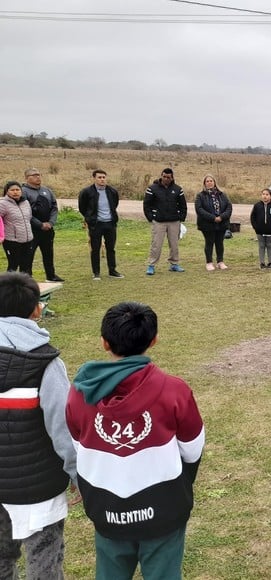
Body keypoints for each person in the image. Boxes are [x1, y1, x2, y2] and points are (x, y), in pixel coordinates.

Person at [66, 301, 205, 580]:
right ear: (153, 341)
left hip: (107, 509)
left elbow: (79, 446)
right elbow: (192, 448)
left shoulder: (79, 394)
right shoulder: (174, 390)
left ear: (104, 343)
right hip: (164, 509)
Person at [0, 272, 77, 580]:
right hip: (39, 484)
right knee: (45, 556)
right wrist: (77, 473)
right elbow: (64, 426)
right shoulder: (46, 363)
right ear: (36, 309)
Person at [79, 169, 124, 280]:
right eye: (99, 177)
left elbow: (115, 204)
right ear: (94, 178)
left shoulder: (112, 191)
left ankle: (112, 270)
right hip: (96, 224)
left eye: (104, 177)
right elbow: (82, 207)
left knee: (111, 248)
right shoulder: (87, 192)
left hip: (110, 223)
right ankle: (96, 272)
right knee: (95, 249)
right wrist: (90, 218)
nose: (102, 179)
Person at [21, 168, 63, 282]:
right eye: (34, 175)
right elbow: (25, 212)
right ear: (26, 178)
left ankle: (51, 275)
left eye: (39, 175)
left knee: (48, 253)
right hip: (32, 230)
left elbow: (54, 207)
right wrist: (40, 224)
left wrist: (51, 222)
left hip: (48, 229)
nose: (38, 177)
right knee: (28, 255)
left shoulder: (47, 190)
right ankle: (26, 278)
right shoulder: (23, 191)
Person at [143, 168, 187, 275]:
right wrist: (151, 217)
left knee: (174, 244)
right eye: (164, 176)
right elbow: (146, 204)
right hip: (158, 221)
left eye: (168, 177)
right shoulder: (152, 188)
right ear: (161, 176)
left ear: (172, 178)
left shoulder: (178, 189)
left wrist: (181, 217)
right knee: (156, 244)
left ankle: (174, 264)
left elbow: (183, 205)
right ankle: (151, 265)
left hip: (174, 221)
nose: (166, 179)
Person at [194, 174, 233, 271]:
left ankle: (220, 262)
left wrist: (221, 217)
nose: (209, 183)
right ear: (204, 183)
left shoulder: (222, 194)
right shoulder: (200, 196)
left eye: (211, 181)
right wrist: (213, 218)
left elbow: (229, 207)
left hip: (221, 223)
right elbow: (199, 209)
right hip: (207, 223)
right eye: (207, 181)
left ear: (214, 182)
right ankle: (209, 262)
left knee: (220, 242)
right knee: (209, 242)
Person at [0, 181, 34, 273]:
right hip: (12, 241)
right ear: (7, 191)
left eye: (17, 190)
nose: (15, 192)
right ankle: (8, 286)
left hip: (28, 239)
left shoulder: (26, 202)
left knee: (26, 265)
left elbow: (29, 217)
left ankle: (25, 286)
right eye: (12, 190)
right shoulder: (3, 204)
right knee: (13, 265)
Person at [250, 188, 271, 269]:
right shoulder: (257, 206)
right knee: (261, 246)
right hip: (260, 231)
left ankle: (270, 262)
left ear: (270, 196)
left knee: (269, 246)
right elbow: (253, 217)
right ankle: (262, 263)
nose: (265, 196)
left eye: (267, 194)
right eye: (263, 194)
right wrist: (256, 227)